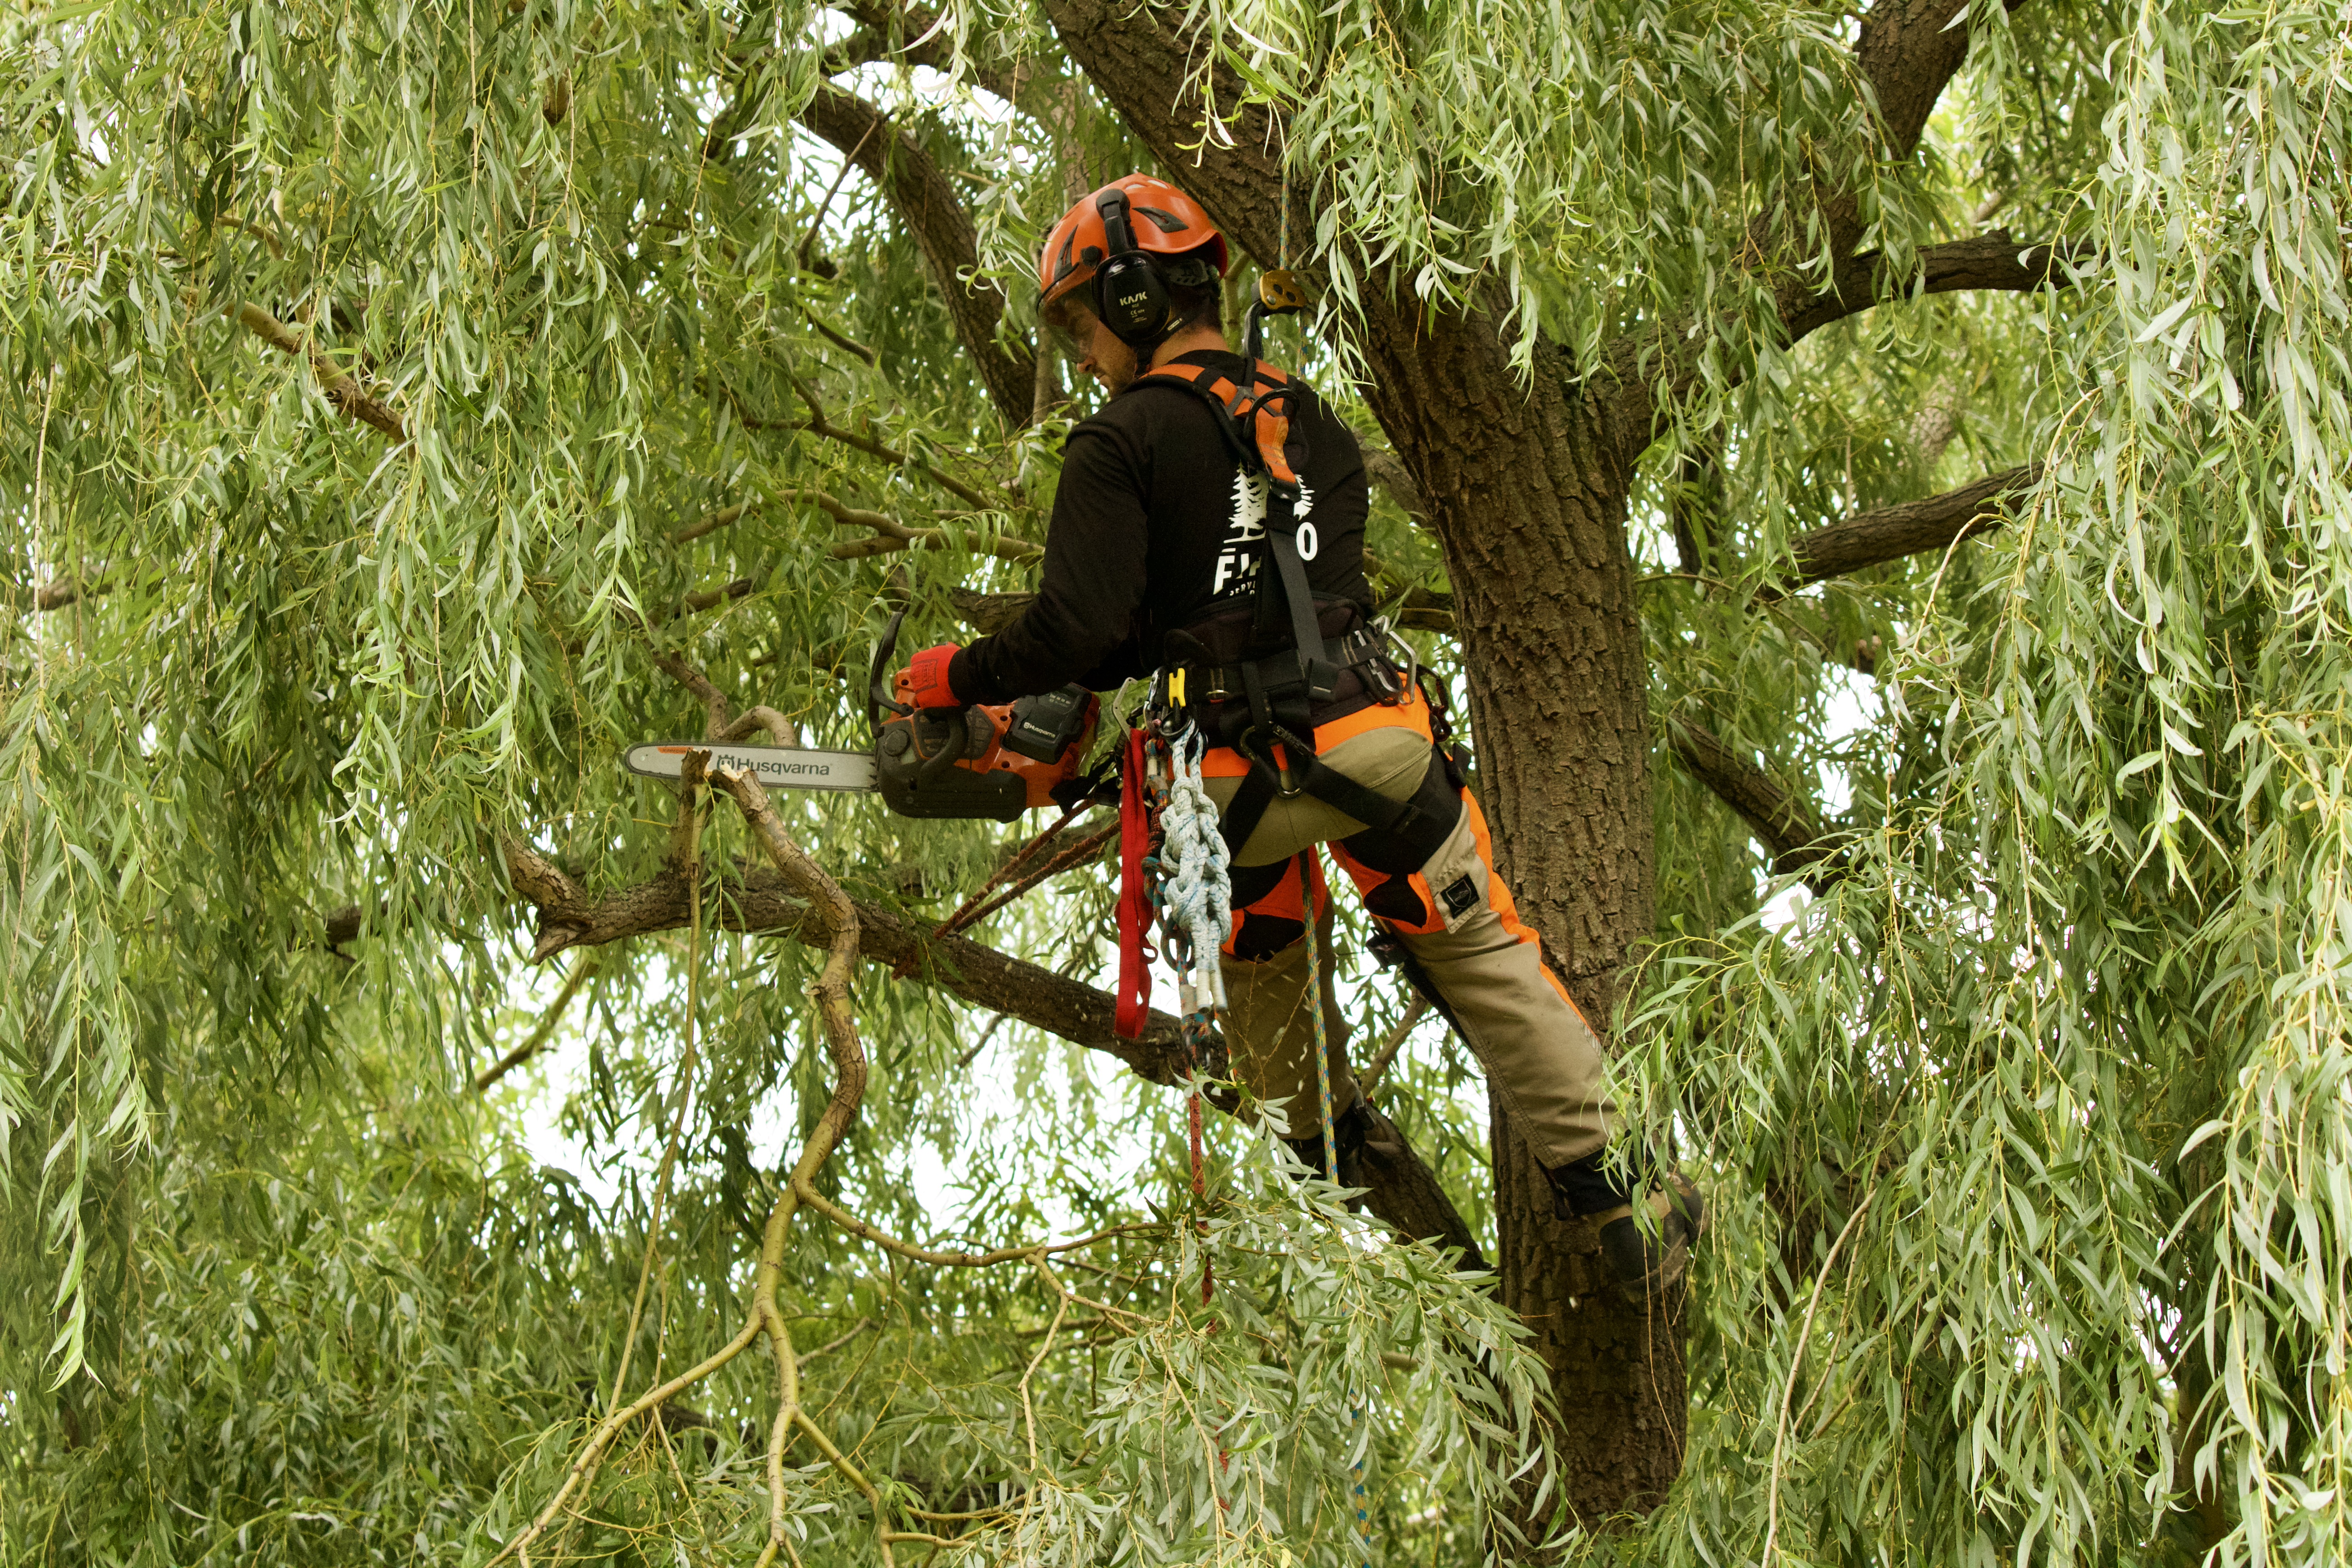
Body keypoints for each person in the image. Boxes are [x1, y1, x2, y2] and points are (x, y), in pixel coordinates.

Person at [896, 175, 1701, 1301]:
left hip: (1232, 794)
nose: (1084, 354)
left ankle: (1325, 1142)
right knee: (1485, 952)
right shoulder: (1310, 421)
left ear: (1128, 304)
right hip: (1379, 749)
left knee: (1262, 964)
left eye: (1082, 325)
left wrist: (965, 677)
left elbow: (1086, 632)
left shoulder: (1118, 441)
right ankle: (1630, 1200)